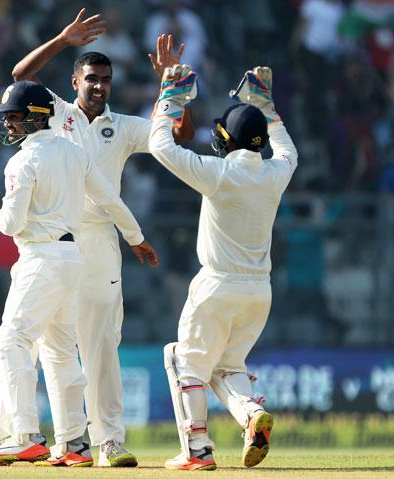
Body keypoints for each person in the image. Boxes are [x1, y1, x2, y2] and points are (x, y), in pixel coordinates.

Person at [8, 8, 190, 467]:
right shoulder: (55, 115)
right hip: (55, 242)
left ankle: (109, 440)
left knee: (100, 345)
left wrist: (170, 85)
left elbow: (173, 136)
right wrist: (62, 41)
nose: (99, 86)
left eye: (105, 79)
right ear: (75, 82)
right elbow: (19, 76)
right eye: (91, 78)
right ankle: (62, 440)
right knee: (50, 344)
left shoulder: (124, 126)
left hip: (101, 243)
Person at [0, 80, 158, 467]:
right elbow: (110, 198)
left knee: (10, 343)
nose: (8, 123)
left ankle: (25, 435)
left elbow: (10, 224)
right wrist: (137, 237)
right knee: (60, 352)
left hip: (40, 257)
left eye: (14, 116)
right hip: (72, 258)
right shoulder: (75, 154)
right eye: (6, 117)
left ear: (38, 116)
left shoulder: (22, 162)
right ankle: (74, 443)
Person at [149, 65, 298, 470]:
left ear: (226, 140)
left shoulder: (217, 173)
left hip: (217, 286)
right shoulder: (274, 173)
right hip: (258, 292)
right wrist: (267, 106)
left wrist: (171, 96)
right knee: (226, 367)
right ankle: (251, 414)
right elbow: (288, 150)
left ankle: (197, 450)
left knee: (183, 361)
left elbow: (161, 147)